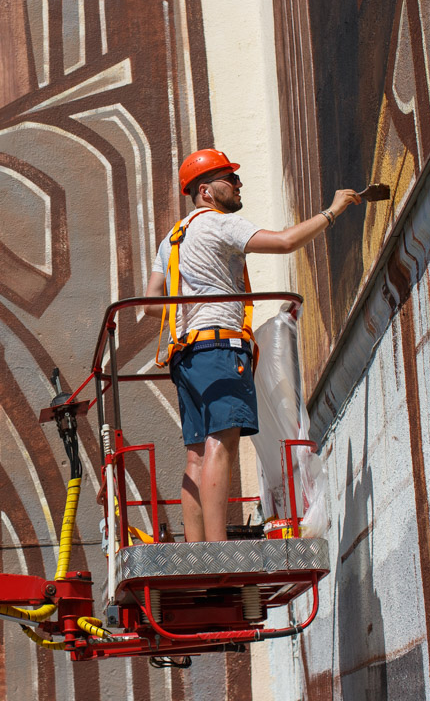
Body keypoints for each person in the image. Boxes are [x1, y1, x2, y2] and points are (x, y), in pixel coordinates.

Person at [144, 149, 361, 542]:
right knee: (221, 444)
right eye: (230, 178)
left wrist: (191, 304)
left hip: (186, 356)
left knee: (196, 453)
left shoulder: (171, 240)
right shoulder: (220, 226)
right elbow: (284, 242)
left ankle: (196, 553)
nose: (238, 184)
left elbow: (150, 299)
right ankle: (216, 551)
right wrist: (333, 211)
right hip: (219, 349)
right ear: (206, 190)